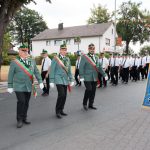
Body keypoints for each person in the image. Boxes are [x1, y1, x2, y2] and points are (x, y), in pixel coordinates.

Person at [7, 44, 44, 128]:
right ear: (19, 52)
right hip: (18, 85)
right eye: (22, 51)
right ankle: (19, 119)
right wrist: (10, 86)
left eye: (26, 51)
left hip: (29, 85)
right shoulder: (15, 62)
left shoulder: (32, 61)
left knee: (26, 102)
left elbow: (36, 72)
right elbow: (10, 74)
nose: (24, 52)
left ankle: (24, 117)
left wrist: (40, 81)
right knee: (21, 101)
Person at [79, 43, 107, 110]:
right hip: (87, 77)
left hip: (94, 77)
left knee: (93, 91)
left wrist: (104, 74)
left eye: (93, 48)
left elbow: (99, 67)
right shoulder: (84, 57)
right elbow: (81, 67)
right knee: (89, 89)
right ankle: (84, 103)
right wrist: (81, 76)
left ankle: (91, 104)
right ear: (88, 49)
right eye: (91, 48)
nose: (92, 50)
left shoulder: (97, 57)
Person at [49, 43, 74, 119]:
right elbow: (52, 70)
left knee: (65, 96)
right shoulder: (55, 59)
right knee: (61, 94)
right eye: (63, 49)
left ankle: (61, 110)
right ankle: (57, 111)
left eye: (65, 49)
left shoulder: (67, 59)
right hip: (58, 78)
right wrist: (51, 81)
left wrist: (71, 79)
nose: (64, 51)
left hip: (65, 79)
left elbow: (69, 70)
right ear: (60, 50)